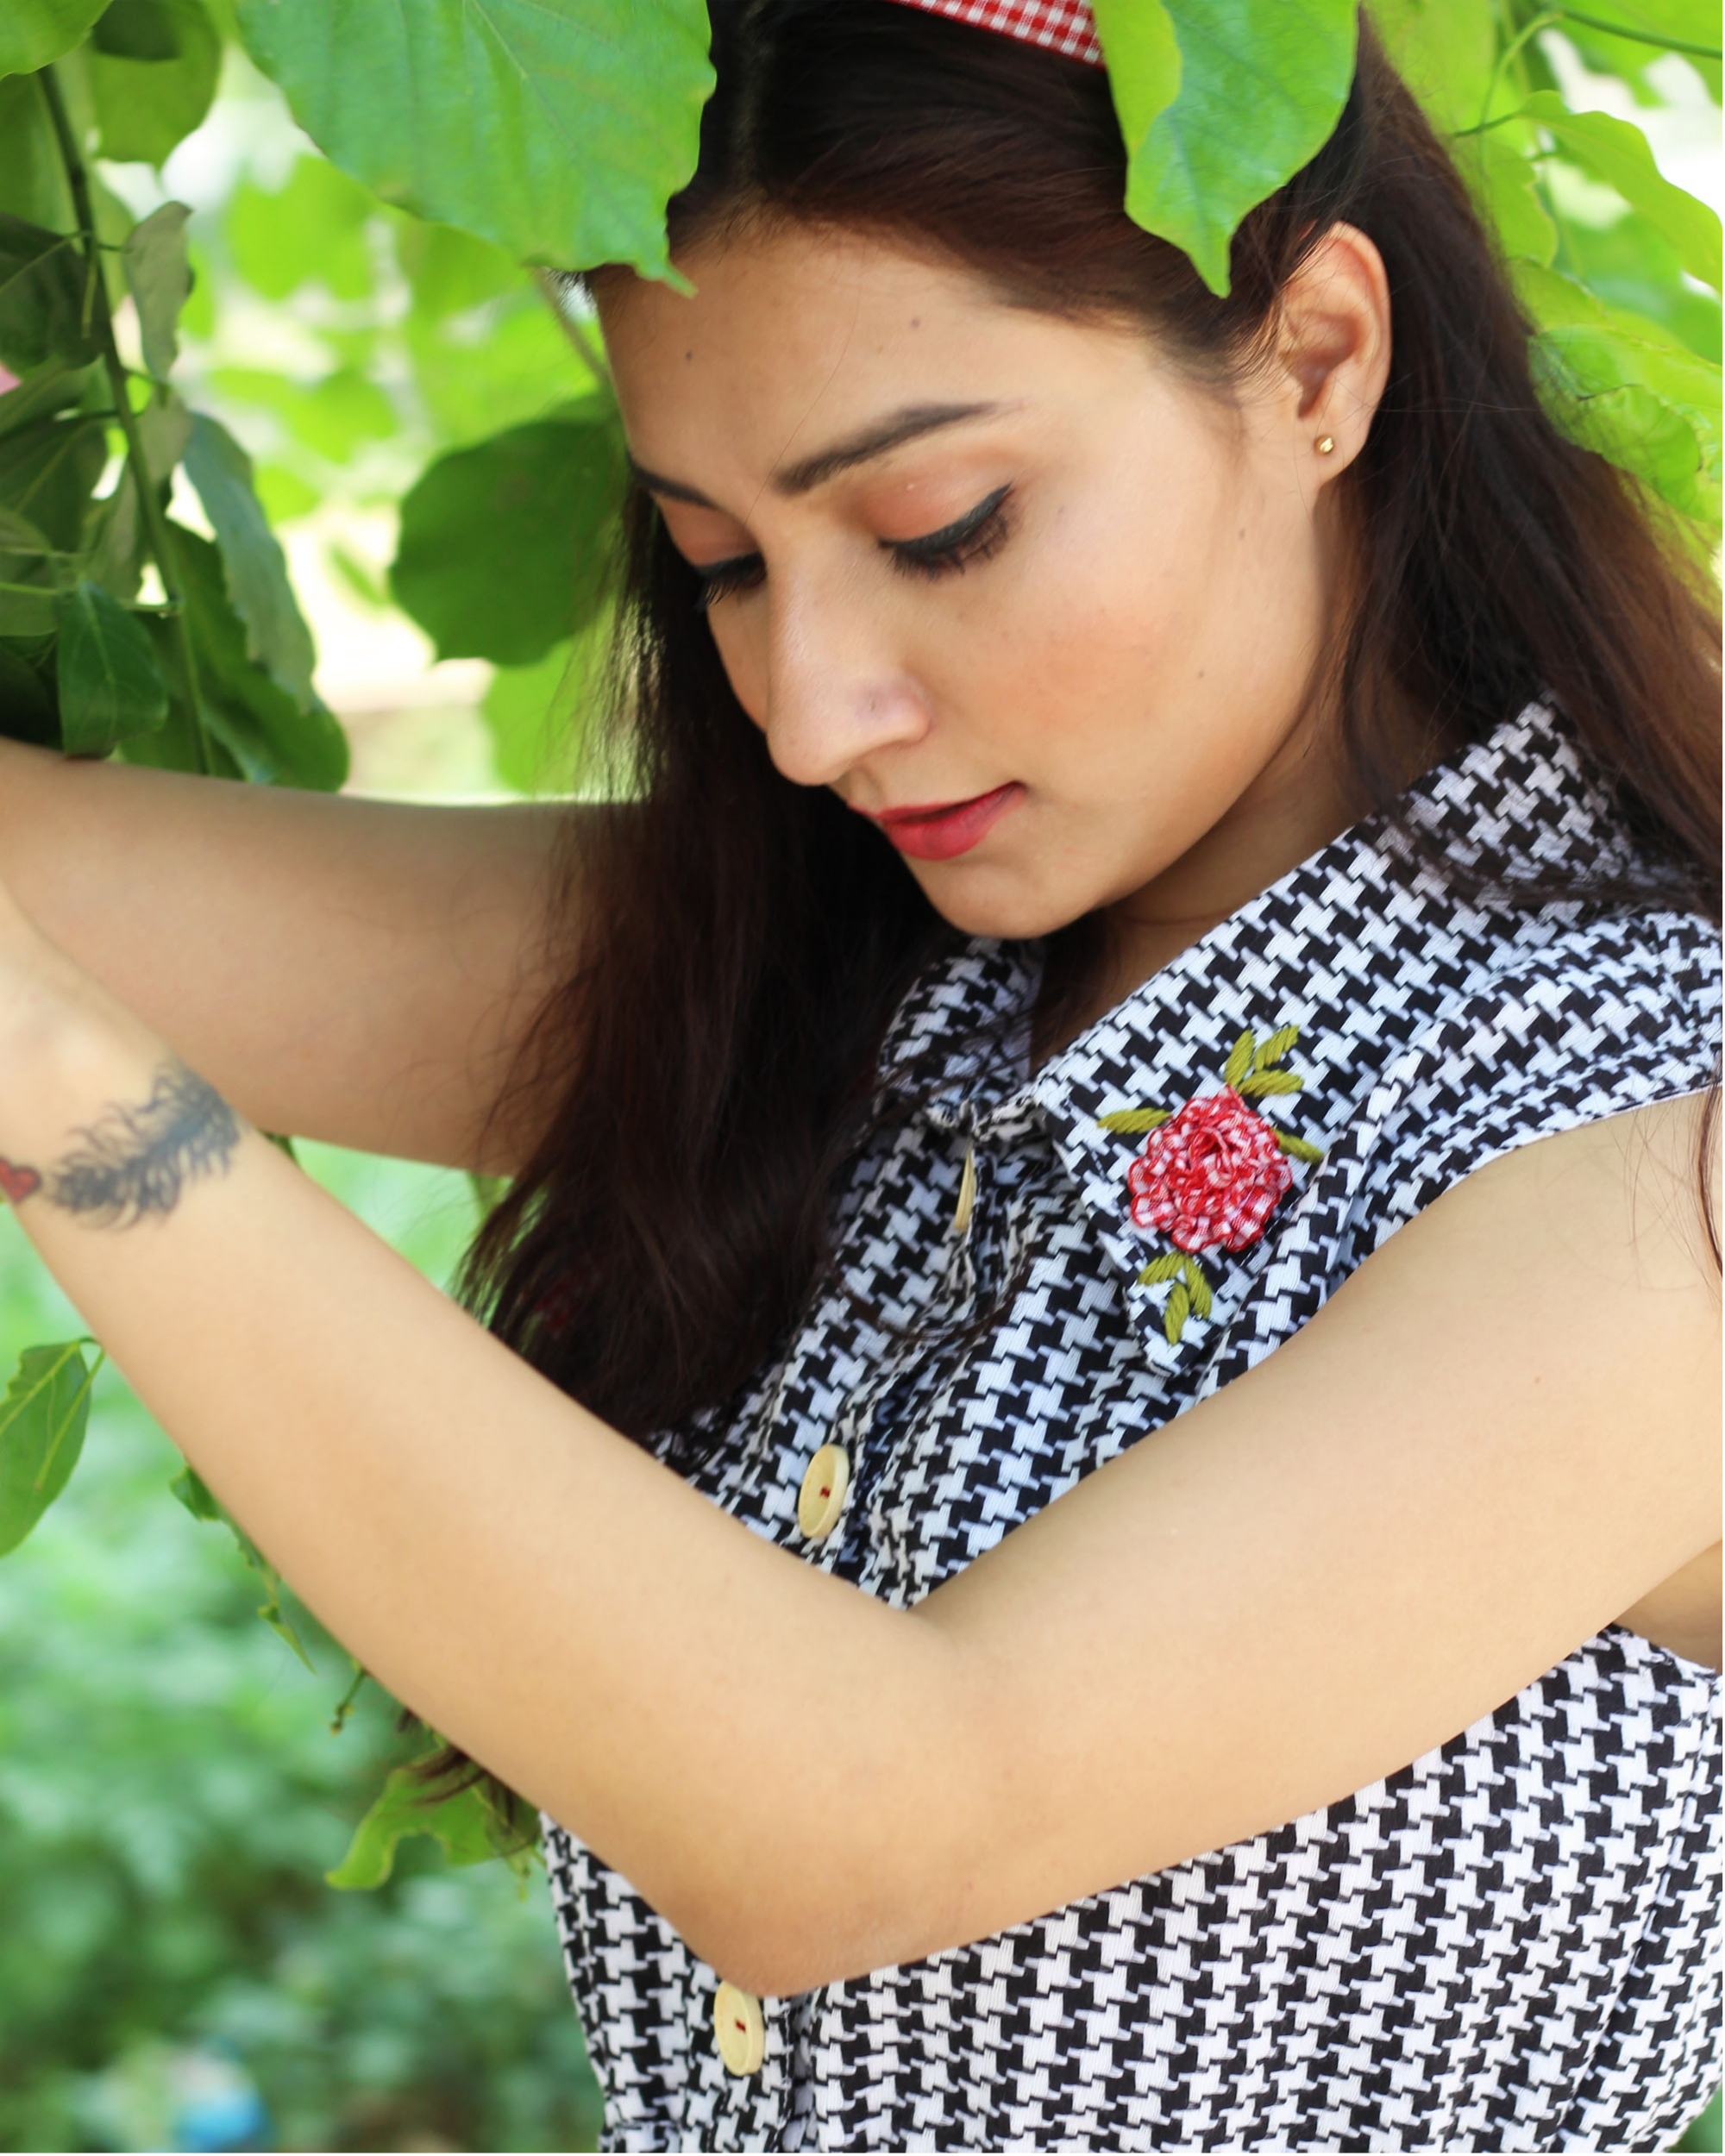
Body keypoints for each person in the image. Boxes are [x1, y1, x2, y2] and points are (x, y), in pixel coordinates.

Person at [0, 0, 1716, 2146]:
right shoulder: (855, 982)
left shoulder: (1661, 1133)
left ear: (1312, 363)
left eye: (937, 526)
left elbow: (869, 1814)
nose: (808, 711)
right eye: (720, 561)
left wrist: (77, 1091)